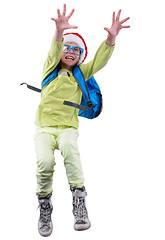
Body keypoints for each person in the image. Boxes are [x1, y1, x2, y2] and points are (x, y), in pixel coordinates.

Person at [34, 4, 130, 237]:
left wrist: (111, 37)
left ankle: (79, 202)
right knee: (44, 164)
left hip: (68, 128)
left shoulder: (82, 73)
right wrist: (59, 31)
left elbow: (100, 60)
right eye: (66, 47)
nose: (69, 51)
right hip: (44, 129)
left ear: (80, 57)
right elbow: (54, 48)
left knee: (70, 152)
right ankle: (45, 205)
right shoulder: (50, 68)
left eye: (76, 50)